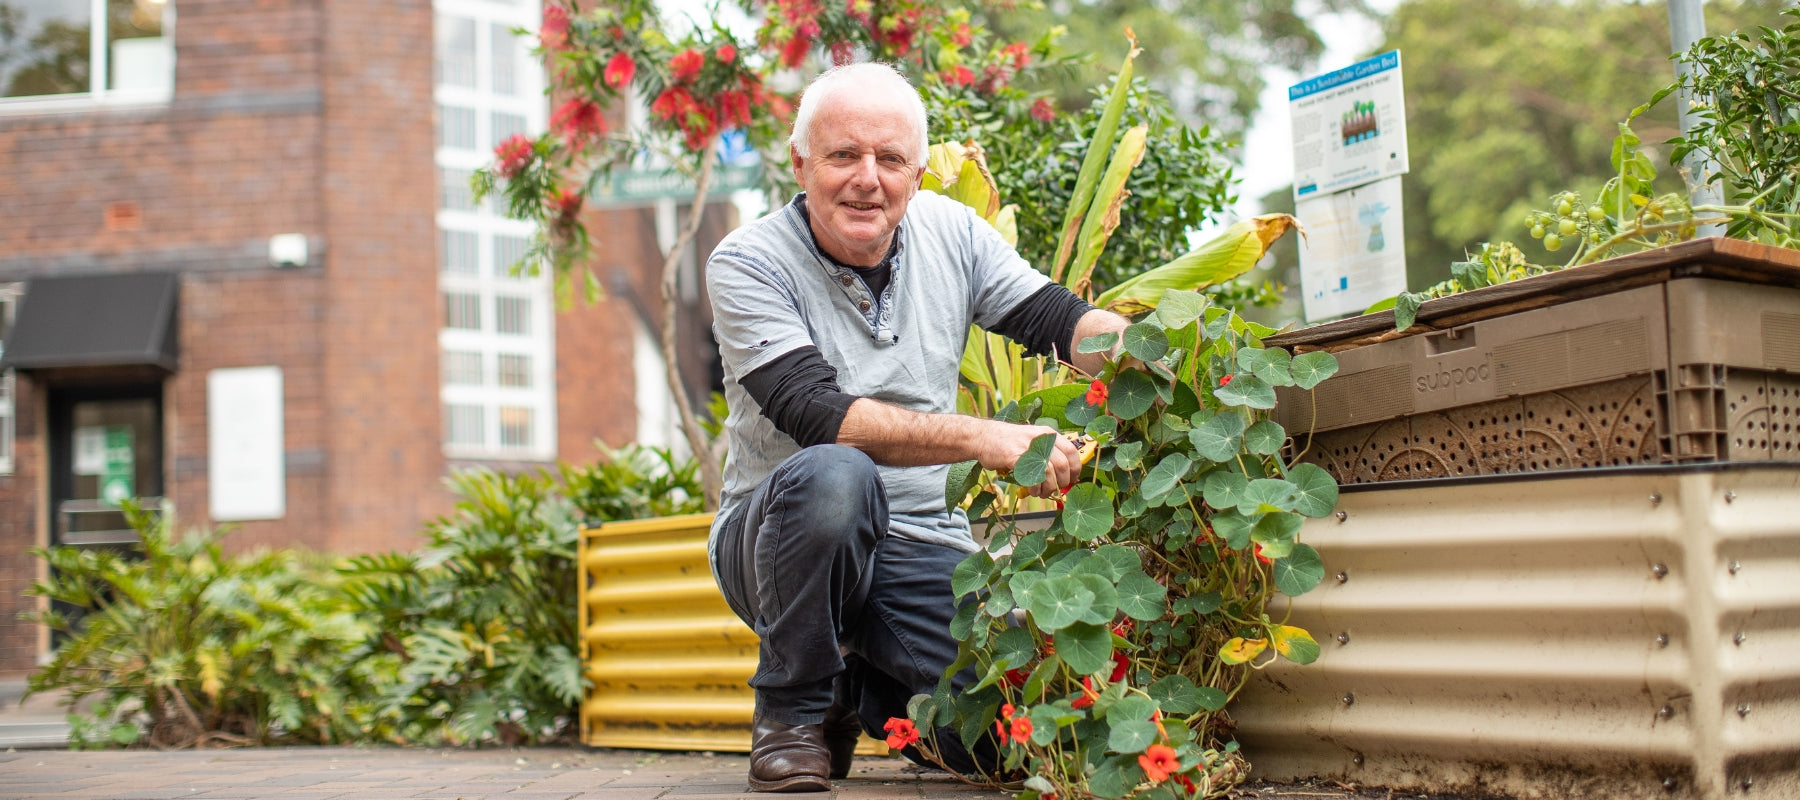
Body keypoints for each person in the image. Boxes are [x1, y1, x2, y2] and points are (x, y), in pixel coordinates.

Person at [705, 61, 1129, 792]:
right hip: (781, 538)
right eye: (843, 156)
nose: (867, 178)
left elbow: (1058, 321)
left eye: (889, 159)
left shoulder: (953, 235)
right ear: (800, 163)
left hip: (922, 542)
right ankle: (793, 712)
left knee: (1006, 739)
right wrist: (985, 437)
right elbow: (822, 418)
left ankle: (857, 684)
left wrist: (1149, 355)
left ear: (918, 173)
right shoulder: (747, 263)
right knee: (838, 476)